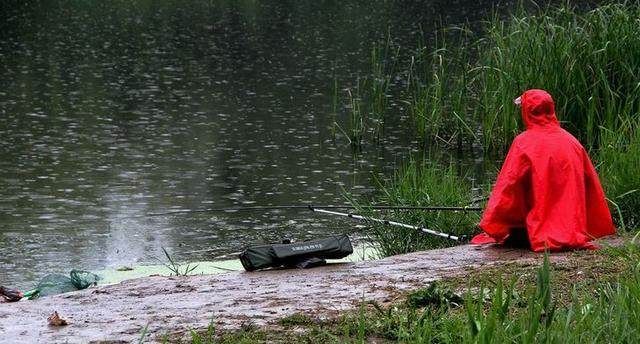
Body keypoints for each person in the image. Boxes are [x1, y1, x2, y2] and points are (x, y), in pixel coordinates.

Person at [471, 89, 615, 251]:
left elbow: (508, 188)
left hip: (538, 231)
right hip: (574, 228)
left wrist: (493, 224)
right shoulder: (572, 142)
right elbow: (592, 188)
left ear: (528, 112)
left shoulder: (523, 142)